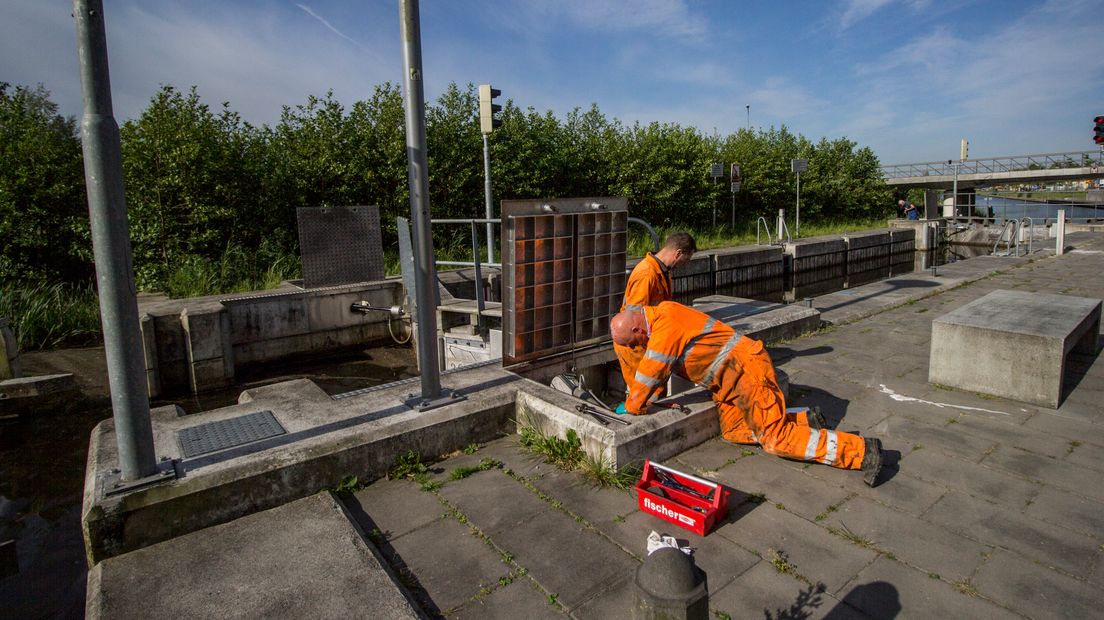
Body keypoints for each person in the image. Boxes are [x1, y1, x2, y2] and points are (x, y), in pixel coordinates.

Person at [610, 302, 883, 486]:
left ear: (638, 329)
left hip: (746, 372)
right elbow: (660, 370)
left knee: (775, 440)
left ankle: (861, 451)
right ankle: (805, 420)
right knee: (734, 431)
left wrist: (633, 405)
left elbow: (651, 371)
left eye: (634, 342)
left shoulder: (664, 327)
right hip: (729, 381)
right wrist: (647, 397)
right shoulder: (662, 313)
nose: (638, 346)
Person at [613, 232, 697, 403]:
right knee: (646, 393)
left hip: (648, 339)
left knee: (655, 389)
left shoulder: (663, 271)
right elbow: (633, 320)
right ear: (678, 253)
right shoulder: (647, 274)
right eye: (686, 259)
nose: (685, 264)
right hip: (637, 344)